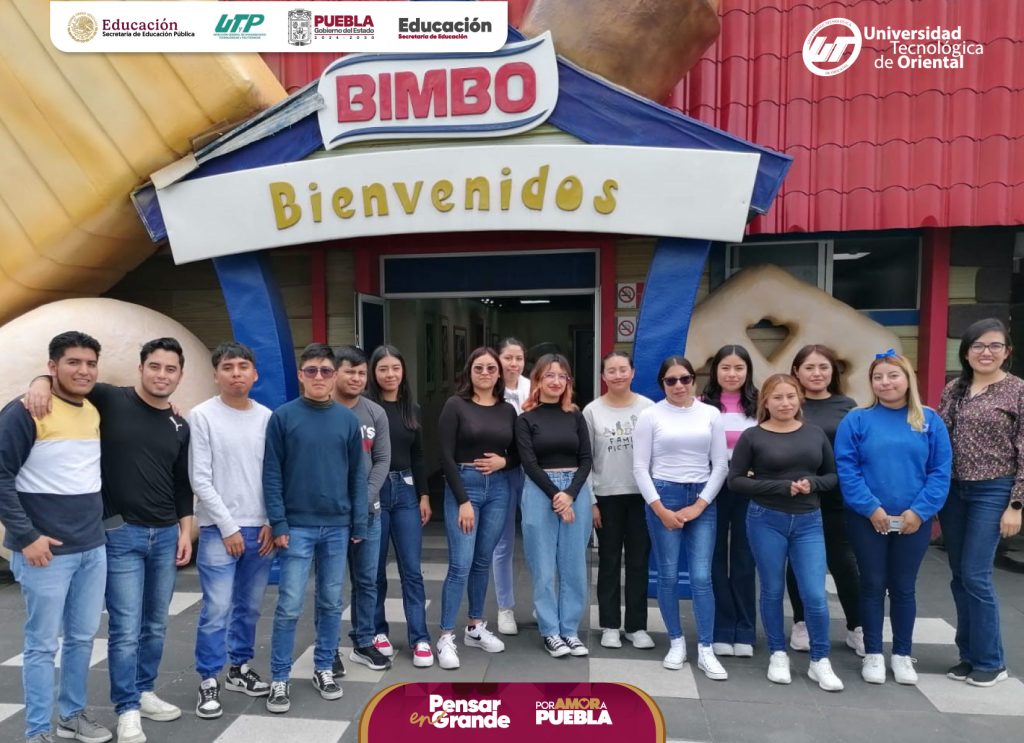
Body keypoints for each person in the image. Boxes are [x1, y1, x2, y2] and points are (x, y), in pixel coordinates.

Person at [28, 337, 194, 743]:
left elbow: (180, 484)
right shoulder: (109, 398)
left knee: (155, 623)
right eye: (154, 366)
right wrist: (38, 380)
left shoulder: (179, 423)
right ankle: (127, 708)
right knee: (124, 627)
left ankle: (144, 690)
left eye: (170, 369)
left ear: (180, 375)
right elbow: (67, 382)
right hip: (120, 535)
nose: (161, 375)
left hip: (166, 533)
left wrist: (186, 529)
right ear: (140, 368)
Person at [1, 332, 112, 743]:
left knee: (83, 639)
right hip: (44, 552)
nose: (83, 370)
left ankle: (72, 716)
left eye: (90, 363)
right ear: (52, 367)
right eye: (72, 362)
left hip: (91, 548)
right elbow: (1, 476)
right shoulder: (25, 411)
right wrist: (27, 536)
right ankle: (36, 733)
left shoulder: (92, 410)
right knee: (42, 646)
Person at [835, 351, 951, 686]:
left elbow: (940, 472)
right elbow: (848, 468)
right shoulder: (857, 420)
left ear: (907, 379)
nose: (885, 383)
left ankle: (901, 654)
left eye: (892, 375)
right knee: (871, 584)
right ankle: (872, 653)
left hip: (914, 520)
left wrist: (920, 511)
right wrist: (871, 508)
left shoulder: (929, 421)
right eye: (878, 377)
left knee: (903, 587)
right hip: (868, 519)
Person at [262, 344, 367, 714]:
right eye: (311, 371)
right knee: (289, 604)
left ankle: (324, 666)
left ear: (335, 375)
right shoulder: (283, 417)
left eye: (325, 370)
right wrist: (279, 521)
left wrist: (359, 520)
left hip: (338, 527)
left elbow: (358, 475)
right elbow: (271, 473)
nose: (319, 377)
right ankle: (279, 677)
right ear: (301, 375)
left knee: (330, 602)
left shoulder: (347, 421)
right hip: (297, 527)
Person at [728, 374, 844, 692]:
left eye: (791, 396)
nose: (785, 403)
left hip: (808, 520)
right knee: (772, 589)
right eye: (777, 397)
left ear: (799, 399)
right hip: (766, 518)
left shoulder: (815, 433)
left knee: (815, 594)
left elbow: (833, 476)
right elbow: (735, 480)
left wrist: (813, 484)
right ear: (765, 401)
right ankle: (778, 653)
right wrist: (779, 487)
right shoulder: (753, 436)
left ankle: (820, 660)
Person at [189, 341, 274, 720]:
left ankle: (239, 668)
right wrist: (227, 526)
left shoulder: (268, 417)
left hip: (261, 528)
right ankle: (209, 679)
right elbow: (199, 478)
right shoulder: (202, 415)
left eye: (243, 366)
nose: (236, 372)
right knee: (217, 608)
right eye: (228, 367)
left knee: (250, 607)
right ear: (216, 374)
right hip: (217, 530)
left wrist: (272, 520)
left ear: (255, 374)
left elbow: (274, 475)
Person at [937, 318, 1024, 687]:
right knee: (960, 576)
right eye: (978, 346)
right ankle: (968, 656)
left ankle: (992, 661)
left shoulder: (1017, 390)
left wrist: (1016, 505)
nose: (986, 353)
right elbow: (937, 438)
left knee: (976, 574)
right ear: (966, 351)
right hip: (955, 492)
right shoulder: (954, 388)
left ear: (1007, 351)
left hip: (994, 490)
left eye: (994, 346)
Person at [632, 356, 729, 680]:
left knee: (701, 576)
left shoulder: (711, 414)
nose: (678, 386)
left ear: (694, 380)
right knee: (669, 574)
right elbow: (639, 468)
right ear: (662, 383)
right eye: (671, 380)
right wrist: (660, 508)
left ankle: (705, 648)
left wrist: (700, 505)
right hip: (664, 494)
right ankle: (676, 641)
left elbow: (721, 465)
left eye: (684, 379)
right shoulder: (650, 416)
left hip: (702, 497)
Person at [436, 346, 517, 669]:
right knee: (461, 563)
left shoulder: (508, 410)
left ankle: (475, 626)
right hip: (464, 485)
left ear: (499, 374)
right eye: (479, 368)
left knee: (483, 560)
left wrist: (505, 461)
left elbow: (521, 454)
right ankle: (444, 636)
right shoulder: (455, 406)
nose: (485, 373)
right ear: (469, 371)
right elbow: (444, 455)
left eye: (491, 368)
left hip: (498, 489)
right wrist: (463, 501)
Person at [787, 345, 864, 656]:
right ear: (796, 372)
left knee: (843, 562)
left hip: (836, 496)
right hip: (795, 495)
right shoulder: (790, 402)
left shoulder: (847, 406)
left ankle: (857, 626)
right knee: (797, 563)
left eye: (823, 367)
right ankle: (801, 622)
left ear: (833, 371)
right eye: (809, 367)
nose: (816, 373)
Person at [517, 354, 594, 658]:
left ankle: (570, 630)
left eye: (562, 376)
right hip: (539, 491)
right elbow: (528, 462)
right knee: (544, 566)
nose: (556, 381)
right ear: (537, 380)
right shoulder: (525, 420)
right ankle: (550, 630)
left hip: (576, 490)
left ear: (568, 383)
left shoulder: (575, 416)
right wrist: (556, 495)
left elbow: (587, 459)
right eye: (549, 375)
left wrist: (570, 494)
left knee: (574, 565)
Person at [367, 345, 434, 668]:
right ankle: (377, 632)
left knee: (411, 569)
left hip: (406, 491)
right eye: (383, 369)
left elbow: (419, 455)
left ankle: (420, 637)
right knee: (374, 568)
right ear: (373, 373)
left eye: (395, 368)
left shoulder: (412, 408)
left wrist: (424, 495)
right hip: (375, 491)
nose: (390, 374)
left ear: (403, 371)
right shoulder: (365, 408)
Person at [584, 351, 655, 650]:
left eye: (622, 369)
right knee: (609, 561)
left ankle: (637, 626)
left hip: (642, 496)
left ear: (633, 372)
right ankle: (610, 625)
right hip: (606, 495)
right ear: (603, 376)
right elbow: (585, 458)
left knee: (639, 561)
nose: (617, 375)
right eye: (611, 371)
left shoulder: (648, 408)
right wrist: (591, 501)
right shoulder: (592, 411)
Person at [333, 345, 392, 673]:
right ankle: (328, 648)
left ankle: (364, 641)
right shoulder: (324, 410)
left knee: (367, 580)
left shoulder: (375, 412)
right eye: (349, 371)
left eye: (360, 372)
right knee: (330, 585)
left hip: (369, 513)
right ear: (335, 372)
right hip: (330, 515)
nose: (356, 378)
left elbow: (382, 459)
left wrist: (364, 499)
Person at [702, 344, 758, 658]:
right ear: (715, 371)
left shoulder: (761, 404)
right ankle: (721, 628)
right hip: (711, 489)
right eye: (725, 367)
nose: (732, 374)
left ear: (748, 371)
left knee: (744, 559)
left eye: (739, 368)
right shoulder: (702, 404)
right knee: (714, 560)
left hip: (749, 490)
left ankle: (745, 631)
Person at [493, 337, 531, 635]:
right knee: (502, 542)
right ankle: (505, 608)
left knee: (536, 541)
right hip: (502, 472)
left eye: (518, 358)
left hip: (532, 472)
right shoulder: (489, 388)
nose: (514, 364)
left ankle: (540, 605)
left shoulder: (534, 387)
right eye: (508, 358)